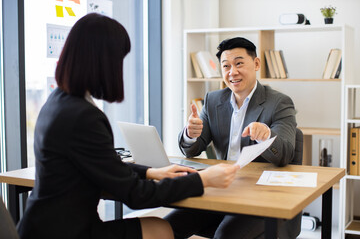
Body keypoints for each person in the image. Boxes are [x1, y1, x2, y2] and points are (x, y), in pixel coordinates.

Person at [16, 13, 240, 239]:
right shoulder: (82, 116)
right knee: (160, 229)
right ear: (103, 61)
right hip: (68, 232)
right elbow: (135, 195)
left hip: (44, 225)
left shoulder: (57, 102)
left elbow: (105, 166)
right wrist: (203, 179)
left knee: (160, 225)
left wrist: (152, 172)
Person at [164, 37, 301, 238]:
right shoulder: (212, 100)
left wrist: (267, 136)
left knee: (226, 235)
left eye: (239, 64)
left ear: (255, 64)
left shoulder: (279, 103)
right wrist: (190, 134)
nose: (232, 72)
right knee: (167, 226)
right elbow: (192, 149)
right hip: (219, 189)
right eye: (226, 66)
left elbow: (286, 153)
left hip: (258, 196)